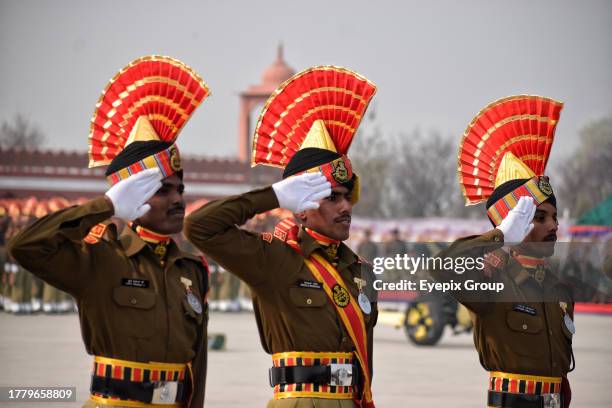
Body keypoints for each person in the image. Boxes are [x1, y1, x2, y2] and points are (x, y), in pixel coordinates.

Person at [8, 55, 211, 407]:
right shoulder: (103, 258)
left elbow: (197, 367)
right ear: (131, 195)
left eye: (179, 189)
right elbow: (24, 246)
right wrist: (106, 206)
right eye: (162, 190)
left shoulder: (191, 270)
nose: (177, 199)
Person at [185, 66, 378, 408]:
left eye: (348, 196)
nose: (345, 206)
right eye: (332, 197)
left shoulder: (358, 269)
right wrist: (273, 196)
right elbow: (201, 227)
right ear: (301, 207)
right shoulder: (274, 258)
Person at [431, 95, 574, 407]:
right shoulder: (493, 281)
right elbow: (442, 266)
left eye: (554, 217)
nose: (553, 226)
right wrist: (501, 236)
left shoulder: (558, 289)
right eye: (539, 218)